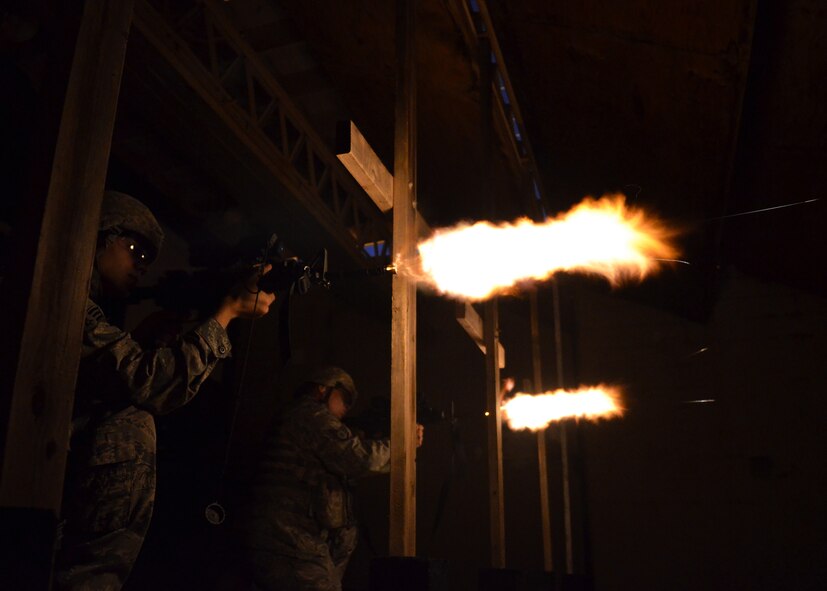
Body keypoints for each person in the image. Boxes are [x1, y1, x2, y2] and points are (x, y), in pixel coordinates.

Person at [55, 191, 276, 590]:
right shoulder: (66, 298)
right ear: (100, 235)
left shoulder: (82, 303)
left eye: (148, 260)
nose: (141, 267)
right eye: (134, 248)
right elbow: (150, 384)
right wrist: (226, 313)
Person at [239, 367, 424, 591]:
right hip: (289, 541)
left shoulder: (300, 417)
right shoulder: (310, 415)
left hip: (291, 540)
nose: (347, 408)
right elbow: (357, 458)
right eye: (344, 398)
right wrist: (402, 442)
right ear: (323, 389)